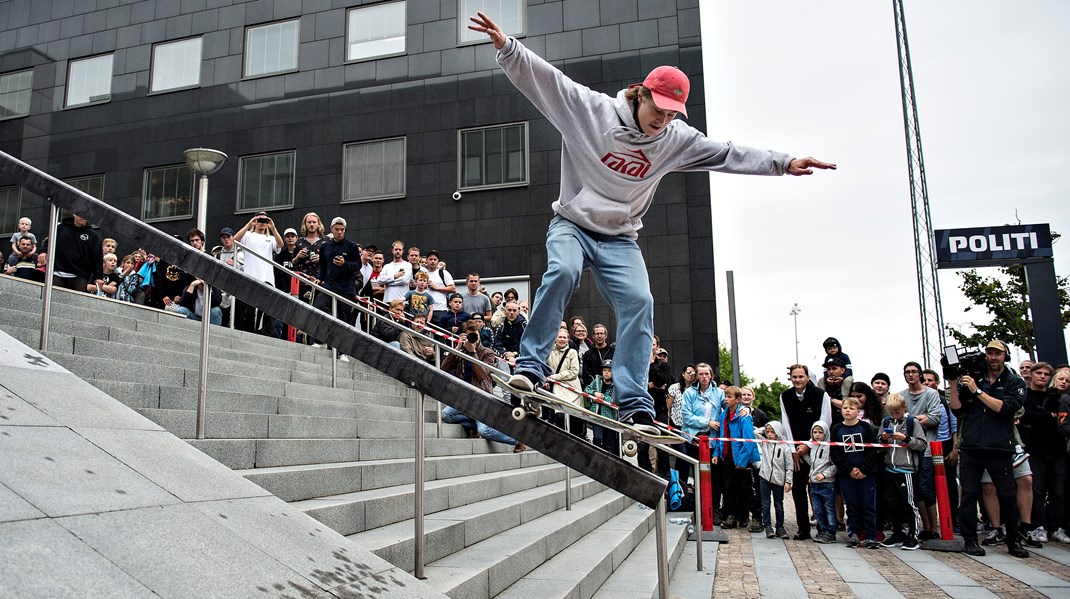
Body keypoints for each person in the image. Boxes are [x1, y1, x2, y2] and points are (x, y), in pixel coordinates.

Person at [468, 12, 835, 436]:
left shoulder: (675, 140)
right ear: (640, 95)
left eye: (671, 115)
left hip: (621, 240)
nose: (661, 121)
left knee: (641, 303)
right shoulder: (592, 112)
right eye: (657, 110)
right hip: (572, 223)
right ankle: (531, 369)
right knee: (563, 271)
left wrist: (783, 163)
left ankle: (634, 404)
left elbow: (726, 153)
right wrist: (508, 47)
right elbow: (548, 81)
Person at [949, 339, 1028, 558]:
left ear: (1005, 356)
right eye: (990, 353)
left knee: (1007, 496)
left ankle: (1013, 541)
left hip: (999, 447)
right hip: (972, 446)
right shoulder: (975, 379)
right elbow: (957, 410)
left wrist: (977, 392)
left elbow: (1004, 408)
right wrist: (954, 383)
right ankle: (970, 540)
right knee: (969, 494)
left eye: (998, 354)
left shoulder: (1014, 382)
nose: (993, 357)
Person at [440, 320, 526, 453]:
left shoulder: (488, 352)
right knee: (446, 415)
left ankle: (517, 440)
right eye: (469, 335)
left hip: (482, 399)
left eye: (475, 335)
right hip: (464, 397)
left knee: (484, 431)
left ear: (479, 335)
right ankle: (474, 424)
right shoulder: (461, 350)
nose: (472, 339)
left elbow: (481, 375)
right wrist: (456, 350)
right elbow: (443, 369)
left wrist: (473, 352)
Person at [779, 364, 832, 540]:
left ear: (807, 377)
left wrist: (809, 445)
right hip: (796, 451)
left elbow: (825, 421)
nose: (798, 380)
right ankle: (803, 528)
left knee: (819, 489)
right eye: (794, 377)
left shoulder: (820, 394)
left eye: (801, 376)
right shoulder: (785, 396)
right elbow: (785, 424)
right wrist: (793, 450)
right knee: (798, 489)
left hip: (817, 449)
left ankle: (824, 527)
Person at [1019, 361, 1065, 545]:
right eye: (1039, 373)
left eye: (1047, 374)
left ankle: (1056, 527)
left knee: (1058, 490)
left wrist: (1042, 417)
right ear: (1032, 374)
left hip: (1057, 448)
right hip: (1034, 448)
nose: (1043, 377)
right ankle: (1037, 526)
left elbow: (1061, 419)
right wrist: (1047, 416)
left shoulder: (1056, 397)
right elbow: (1025, 416)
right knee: (1036, 490)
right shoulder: (1024, 395)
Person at [829, 396, 882, 549]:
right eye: (845, 408)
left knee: (868, 505)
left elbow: (872, 450)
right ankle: (854, 533)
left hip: (866, 474)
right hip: (847, 474)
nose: (848, 410)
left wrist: (864, 469)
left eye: (851, 408)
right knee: (851, 505)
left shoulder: (866, 428)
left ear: (858, 411)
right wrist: (849, 469)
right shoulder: (837, 429)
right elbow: (835, 453)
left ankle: (871, 536)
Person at [878, 393, 927, 551]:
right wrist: (884, 438)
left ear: (904, 408)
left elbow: (921, 444)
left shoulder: (912, 422)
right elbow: (879, 440)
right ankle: (897, 533)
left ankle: (913, 535)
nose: (894, 416)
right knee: (892, 503)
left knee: (909, 503)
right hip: (890, 468)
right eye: (891, 413)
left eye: (897, 412)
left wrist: (905, 438)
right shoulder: (886, 421)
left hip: (906, 469)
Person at [900, 361, 943, 540]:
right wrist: (918, 419)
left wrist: (912, 420)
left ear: (919, 374)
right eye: (907, 372)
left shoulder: (931, 394)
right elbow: (898, 417)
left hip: (927, 448)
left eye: (914, 372)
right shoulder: (901, 395)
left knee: (926, 489)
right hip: (908, 449)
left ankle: (934, 526)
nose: (911, 375)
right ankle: (923, 526)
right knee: (915, 490)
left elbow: (934, 417)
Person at [713, 386, 760, 530]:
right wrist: (716, 453)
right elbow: (721, 437)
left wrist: (742, 461)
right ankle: (731, 516)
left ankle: (757, 518)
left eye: (729, 397)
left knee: (748, 490)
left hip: (741, 458)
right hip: (727, 457)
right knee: (729, 488)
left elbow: (748, 439)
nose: (726, 400)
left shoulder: (743, 416)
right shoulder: (723, 416)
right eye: (725, 397)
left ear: (738, 399)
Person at [234, 211, 283, 335]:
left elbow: (280, 245)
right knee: (249, 308)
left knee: (268, 309)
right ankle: (249, 332)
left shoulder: (270, 238)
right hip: (251, 275)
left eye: (264, 220)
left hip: (267, 277)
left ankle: (269, 334)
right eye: (260, 220)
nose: (262, 223)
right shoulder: (248, 235)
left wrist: (273, 227)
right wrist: (250, 223)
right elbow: (235, 239)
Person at [679, 363, 724, 491]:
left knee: (714, 475)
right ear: (697, 376)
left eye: (706, 374)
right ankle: (699, 505)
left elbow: (730, 409)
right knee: (698, 474)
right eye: (701, 374)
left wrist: (745, 410)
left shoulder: (719, 393)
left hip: (713, 440)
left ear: (711, 376)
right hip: (694, 439)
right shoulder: (689, 393)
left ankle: (714, 506)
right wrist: (707, 422)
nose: (704, 377)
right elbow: (686, 416)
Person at [758, 421, 793, 539]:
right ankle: (767, 526)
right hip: (765, 477)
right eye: (767, 432)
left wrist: (788, 481)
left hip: (778, 479)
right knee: (765, 503)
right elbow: (755, 432)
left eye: (772, 432)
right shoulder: (765, 443)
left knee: (779, 504)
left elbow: (789, 466)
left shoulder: (784, 447)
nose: (769, 434)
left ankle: (780, 527)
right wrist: (765, 427)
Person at [804, 420, 838, 544]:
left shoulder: (829, 446)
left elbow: (835, 465)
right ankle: (822, 530)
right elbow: (812, 462)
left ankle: (830, 532)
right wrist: (803, 455)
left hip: (827, 483)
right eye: (815, 432)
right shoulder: (813, 446)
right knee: (817, 509)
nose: (817, 435)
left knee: (829, 508)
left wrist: (824, 475)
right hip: (814, 483)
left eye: (820, 432)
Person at [52, 213, 102, 293]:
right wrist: (43, 252)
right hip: (58, 273)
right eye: (80, 214)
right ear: (74, 214)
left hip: (80, 275)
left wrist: (98, 277)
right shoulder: (60, 228)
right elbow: (48, 243)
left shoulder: (94, 236)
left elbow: (98, 258)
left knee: (78, 302)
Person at [584, 359, 619, 454]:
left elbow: (614, 400)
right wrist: (594, 393)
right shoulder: (597, 381)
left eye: (609, 371)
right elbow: (586, 389)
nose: (606, 373)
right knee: (597, 439)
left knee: (609, 443)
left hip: (609, 418)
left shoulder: (616, 385)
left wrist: (602, 396)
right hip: (597, 416)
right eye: (605, 371)